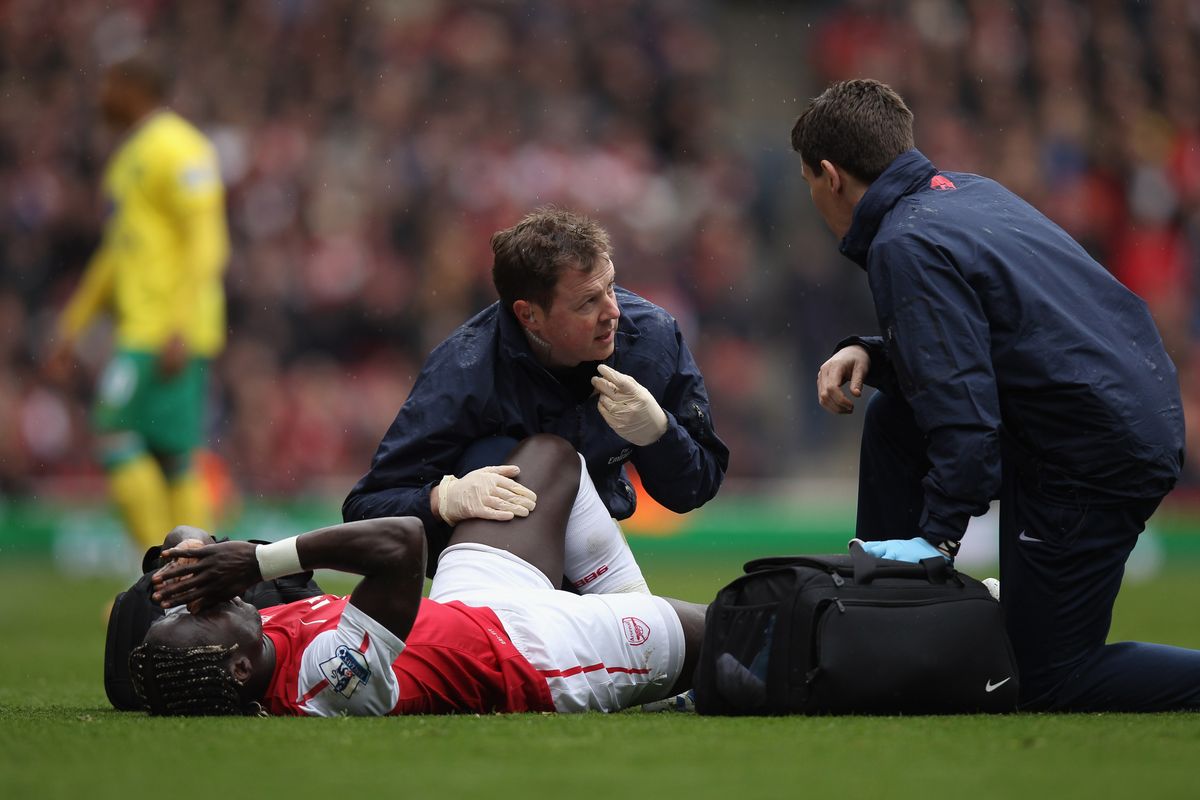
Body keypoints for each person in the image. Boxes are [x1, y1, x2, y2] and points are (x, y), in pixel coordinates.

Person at [792, 78, 1200, 711]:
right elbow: (996, 339)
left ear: (829, 174)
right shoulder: (967, 195)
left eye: (808, 183)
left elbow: (964, 411)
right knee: (894, 415)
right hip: (1113, 414)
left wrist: (939, 539)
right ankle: (880, 618)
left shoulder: (905, 242)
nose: (813, 196)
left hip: (1094, 453)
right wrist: (875, 350)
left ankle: (895, 601)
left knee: (1046, 679)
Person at [132, 434, 706, 716]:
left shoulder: (233, 650)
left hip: (470, 605)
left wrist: (188, 552)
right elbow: (400, 540)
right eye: (204, 614)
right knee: (738, 629)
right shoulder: (327, 682)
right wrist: (256, 561)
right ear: (236, 667)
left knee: (549, 457)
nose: (209, 603)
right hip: (532, 654)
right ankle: (646, 652)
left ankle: (638, 623)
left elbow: (186, 551)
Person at [342, 206, 728, 577]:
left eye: (610, 287)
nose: (614, 312)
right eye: (587, 302)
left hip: (595, 557)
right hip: (492, 574)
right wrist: (442, 501)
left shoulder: (651, 340)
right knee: (498, 455)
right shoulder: (464, 372)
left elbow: (694, 489)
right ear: (529, 315)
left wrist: (660, 434)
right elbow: (364, 509)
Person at [46, 54, 229, 552]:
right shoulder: (130, 157)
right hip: (146, 328)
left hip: (165, 330)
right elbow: (115, 255)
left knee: (116, 434)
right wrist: (72, 326)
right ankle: (185, 580)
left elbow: (206, 241)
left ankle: (160, 576)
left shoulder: (180, 148)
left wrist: (180, 324)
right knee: (173, 455)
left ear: (134, 87)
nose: (101, 95)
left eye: (109, 84)